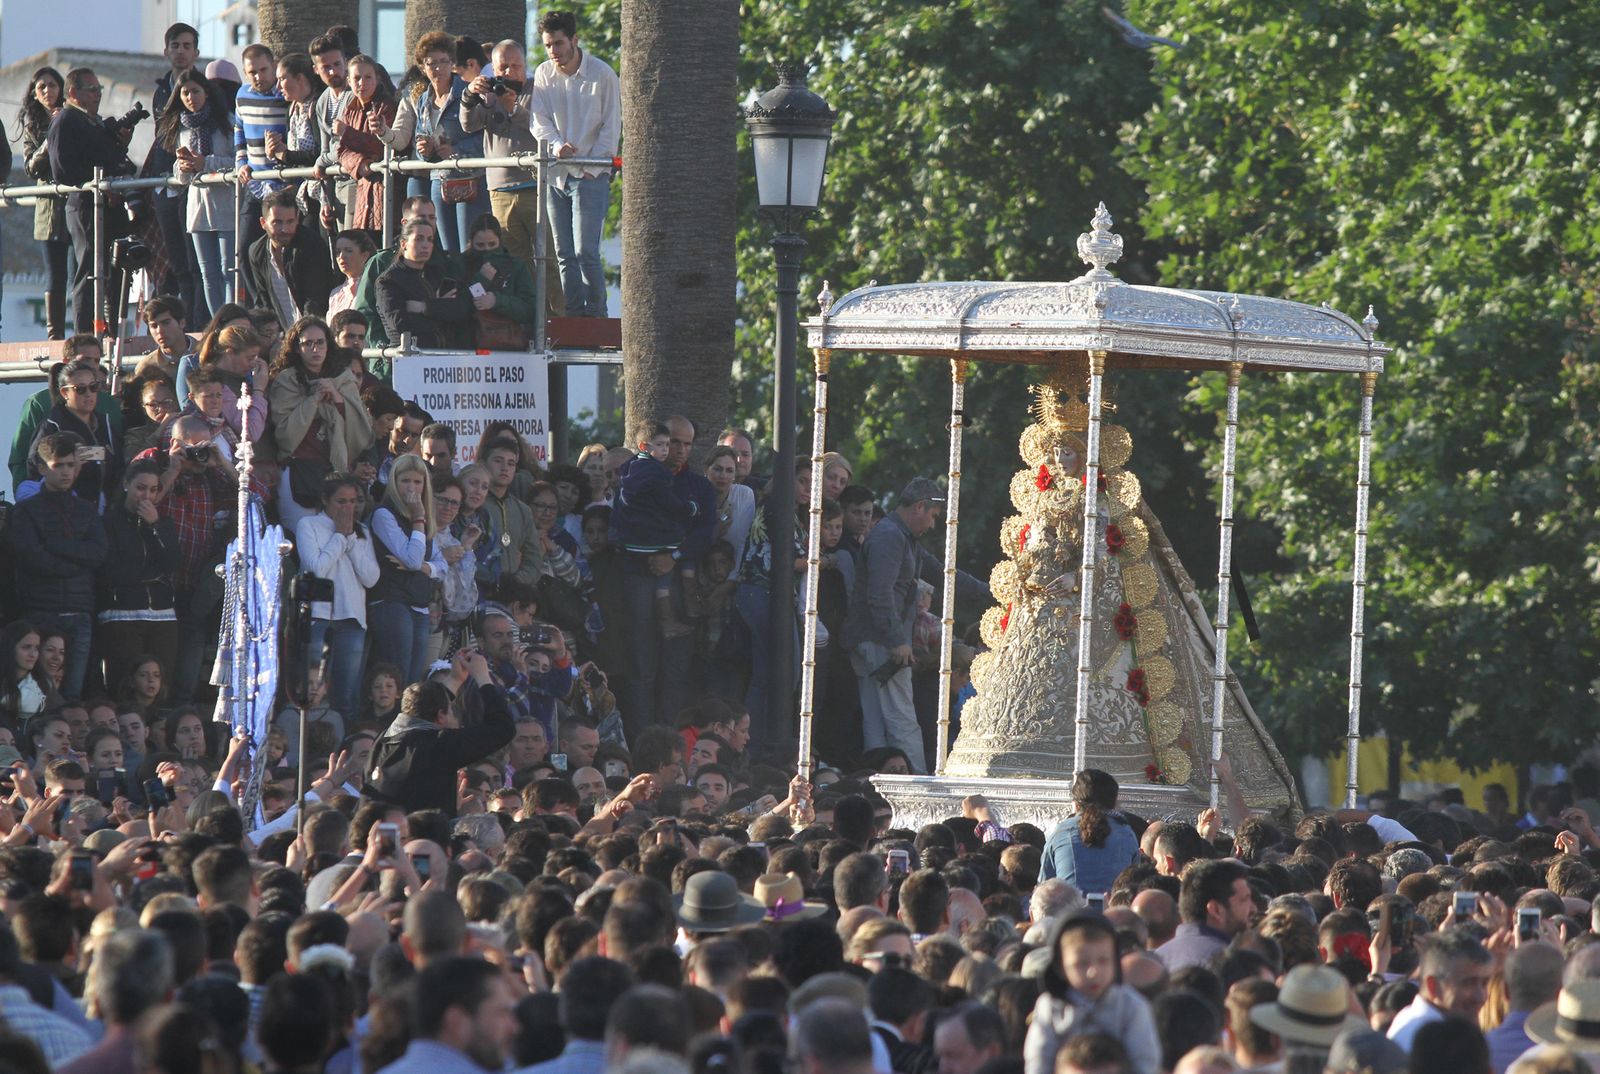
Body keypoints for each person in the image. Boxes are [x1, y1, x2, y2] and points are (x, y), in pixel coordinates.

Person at [842, 477, 948, 774]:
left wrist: (988, 588)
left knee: (875, 721)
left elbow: (943, 573)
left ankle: (877, 784)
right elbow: (880, 594)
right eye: (933, 516)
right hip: (882, 643)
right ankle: (919, 788)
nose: (932, 525)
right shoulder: (890, 537)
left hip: (868, 639)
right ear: (919, 507)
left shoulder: (899, 536)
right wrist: (897, 641)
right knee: (902, 718)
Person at [461, 39, 564, 315]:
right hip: (500, 190)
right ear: (492, 68)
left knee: (549, 258)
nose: (508, 72)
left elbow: (542, 130)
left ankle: (558, 320)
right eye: (502, 67)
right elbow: (468, 124)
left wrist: (512, 107)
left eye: (515, 66)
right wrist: (469, 96)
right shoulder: (489, 93)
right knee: (517, 261)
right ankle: (532, 317)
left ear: (525, 65)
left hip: (537, 187)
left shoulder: (537, 91)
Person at [530, 11, 620, 317]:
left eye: (558, 43)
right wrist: (557, 146)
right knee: (563, 253)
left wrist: (590, 166)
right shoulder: (543, 73)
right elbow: (538, 120)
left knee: (586, 252)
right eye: (547, 45)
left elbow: (611, 127)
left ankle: (597, 314)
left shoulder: (603, 74)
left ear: (574, 40)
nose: (553, 51)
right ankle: (574, 315)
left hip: (590, 173)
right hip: (556, 174)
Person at [10, 434, 107, 700]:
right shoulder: (26, 511)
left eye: (71, 465)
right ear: (42, 468)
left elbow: (98, 553)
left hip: (80, 612)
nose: (66, 472)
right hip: (39, 611)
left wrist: (54, 544)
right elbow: (31, 557)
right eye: (59, 465)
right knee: (35, 692)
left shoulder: (87, 511)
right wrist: (76, 561)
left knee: (73, 692)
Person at [380, 32, 488, 253]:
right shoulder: (423, 100)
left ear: (452, 63)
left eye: (444, 62)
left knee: (469, 248)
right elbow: (421, 137)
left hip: (470, 178)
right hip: (439, 179)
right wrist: (424, 150)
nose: (438, 68)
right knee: (447, 250)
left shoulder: (467, 93)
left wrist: (456, 151)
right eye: (431, 63)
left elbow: (485, 139)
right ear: (423, 67)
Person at [364, 657, 513, 815]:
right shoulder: (440, 744)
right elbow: (503, 728)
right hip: (426, 834)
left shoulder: (381, 742)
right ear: (441, 716)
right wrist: (483, 678)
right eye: (449, 709)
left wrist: (455, 679)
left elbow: (426, 705)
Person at [268, 314, 374, 532]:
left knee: (339, 534)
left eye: (320, 342)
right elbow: (284, 433)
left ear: (328, 344)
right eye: (308, 343)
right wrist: (313, 401)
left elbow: (360, 428)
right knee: (303, 533)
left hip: (335, 470)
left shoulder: (344, 379)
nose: (315, 349)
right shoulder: (286, 381)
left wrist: (336, 398)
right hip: (299, 473)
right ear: (297, 348)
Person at [48, 67, 134, 335]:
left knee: (115, 268)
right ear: (73, 93)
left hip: (108, 208)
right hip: (87, 205)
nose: (98, 94)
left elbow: (106, 157)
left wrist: (120, 145)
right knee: (89, 271)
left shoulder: (90, 122)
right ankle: (85, 334)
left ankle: (111, 328)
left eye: (99, 89)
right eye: (92, 89)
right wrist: (98, 184)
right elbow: (63, 169)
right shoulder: (67, 120)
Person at [1025, 910, 1160, 1074]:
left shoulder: (1130, 1005)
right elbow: (1039, 1061)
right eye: (1081, 964)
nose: (1093, 972)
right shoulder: (1051, 1007)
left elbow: (1145, 1062)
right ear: (1060, 966)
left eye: (1103, 961)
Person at [295, 473, 381, 719]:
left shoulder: (362, 531)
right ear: (325, 500)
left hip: (352, 619)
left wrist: (351, 539)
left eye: (354, 501)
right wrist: (340, 537)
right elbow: (316, 569)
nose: (349, 507)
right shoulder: (308, 525)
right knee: (312, 691)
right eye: (341, 501)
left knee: (346, 694)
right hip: (317, 618)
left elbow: (371, 578)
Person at [94, 460, 181, 691]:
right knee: (125, 684)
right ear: (126, 484)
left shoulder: (163, 523)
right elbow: (110, 569)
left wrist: (155, 526)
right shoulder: (107, 523)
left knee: (160, 685)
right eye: (141, 488)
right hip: (122, 613)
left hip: (162, 614)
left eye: (153, 490)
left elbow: (172, 563)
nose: (147, 496)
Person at [159, 68, 238, 318]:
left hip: (226, 205)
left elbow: (238, 162)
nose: (190, 97)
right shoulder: (181, 128)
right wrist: (182, 167)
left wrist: (206, 163)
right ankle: (218, 324)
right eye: (185, 93)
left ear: (206, 92)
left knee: (229, 270)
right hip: (198, 209)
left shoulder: (227, 123)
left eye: (195, 91)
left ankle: (232, 322)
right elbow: (182, 179)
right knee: (208, 274)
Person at [17, 66, 71, 340]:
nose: (49, 91)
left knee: (83, 272)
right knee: (55, 274)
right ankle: (55, 334)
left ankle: (88, 329)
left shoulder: (73, 117)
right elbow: (32, 167)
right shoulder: (33, 126)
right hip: (48, 210)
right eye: (42, 87)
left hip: (74, 204)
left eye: (53, 85)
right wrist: (51, 138)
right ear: (35, 94)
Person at [25, 359, 121, 504]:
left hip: (102, 514)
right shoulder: (52, 426)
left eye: (93, 387)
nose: (88, 394)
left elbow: (119, 467)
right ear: (65, 393)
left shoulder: (105, 424)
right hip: (64, 511)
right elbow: (36, 469)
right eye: (80, 389)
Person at [241, 188, 338, 329]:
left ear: (298, 219)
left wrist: (304, 334)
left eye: (290, 221)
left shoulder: (311, 244)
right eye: (277, 222)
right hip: (282, 335)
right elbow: (263, 303)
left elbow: (315, 300)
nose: (285, 229)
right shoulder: (257, 251)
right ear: (263, 223)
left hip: (313, 332)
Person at [1039, 769, 1141, 896]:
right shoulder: (1126, 833)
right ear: (1114, 802)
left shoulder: (1061, 832)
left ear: (1076, 804)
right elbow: (1134, 882)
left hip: (1070, 912)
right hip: (1113, 911)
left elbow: (1043, 886)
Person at [376, 218, 475, 348]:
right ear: (404, 244)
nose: (425, 245)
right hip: (410, 358)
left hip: (444, 359)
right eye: (419, 239)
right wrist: (441, 309)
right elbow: (400, 323)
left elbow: (461, 309)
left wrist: (424, 307)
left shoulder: (437, 274)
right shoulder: (389, 281)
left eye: (430, 239)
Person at [1387, 931, 1493, 1052]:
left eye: (1485, 983)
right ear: (1433, 985)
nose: (1480, 996)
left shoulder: (1416, 1020)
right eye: (1468, 983)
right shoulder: (1427, 1041)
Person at [1156, 859, 1254, 974]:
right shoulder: (1231, 965)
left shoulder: (1154, 960)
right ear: (1216, 910)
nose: (1253, 908)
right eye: (1244, 900)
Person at [334, 54, 396, 234]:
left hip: (385, 189)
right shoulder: (350, 109)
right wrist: (360, 163)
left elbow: (381, 146)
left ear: (377, 79)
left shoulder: (386, 106)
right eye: (357, 78)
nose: (362, 83)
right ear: (349, 81)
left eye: (368, 77)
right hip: (363, 189)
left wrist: (347, 132)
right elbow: (341, 152)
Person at [461, 213, 539, 332]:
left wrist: (497, 301)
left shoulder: (516, 265)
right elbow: (456, 305)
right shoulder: (460, 263)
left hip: (508, 337)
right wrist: (481, 279)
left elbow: (530, 310)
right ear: (471, 242)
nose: (487, 249)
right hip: (469, 337)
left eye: (492, 244)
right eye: (480, 245)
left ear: (500, 241)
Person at [328, 230, 375, 315]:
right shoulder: (335, 294)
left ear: (364, 255)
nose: (341, 256)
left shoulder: (373, 289)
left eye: (348, 251)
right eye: (338, 252)